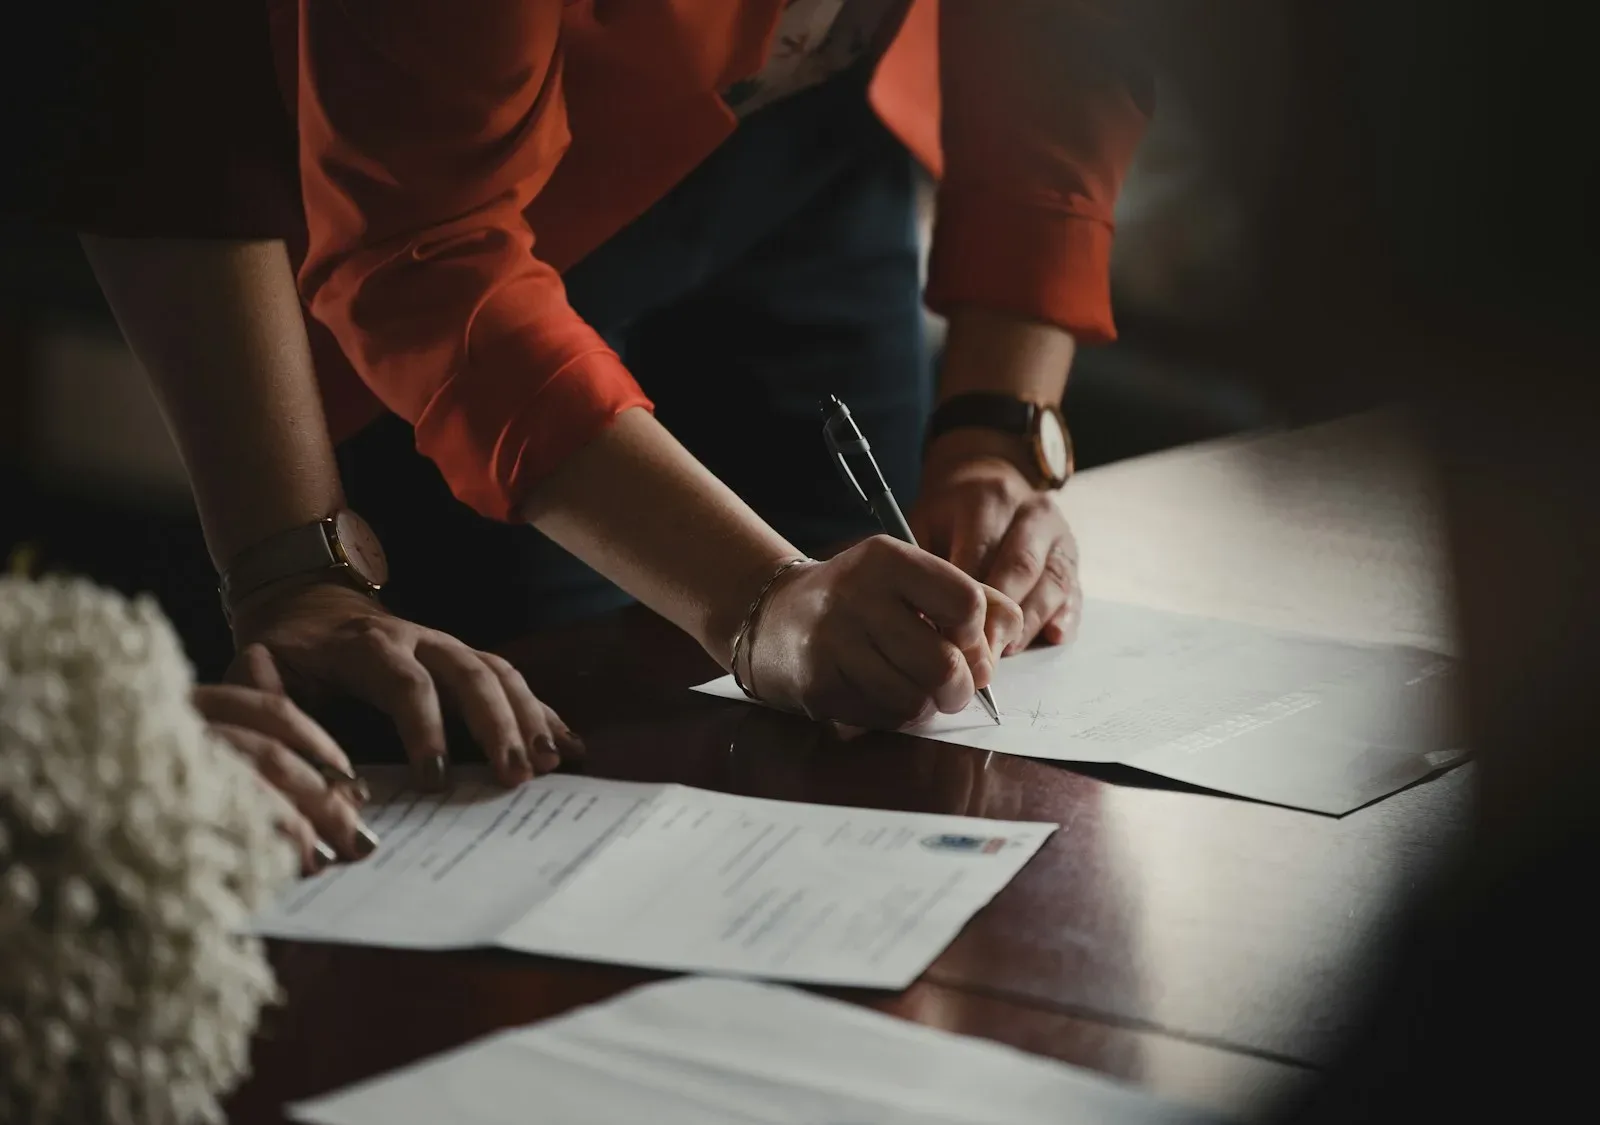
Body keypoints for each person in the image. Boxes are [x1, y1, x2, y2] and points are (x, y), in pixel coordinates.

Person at [228, 0, 1148, 733]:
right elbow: (427, 252)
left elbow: (1072, 45)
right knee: (558, 726)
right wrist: (755, 600)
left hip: (819, 130)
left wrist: (993, 433)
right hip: (480, 222)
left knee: (880, 677)